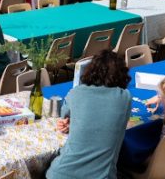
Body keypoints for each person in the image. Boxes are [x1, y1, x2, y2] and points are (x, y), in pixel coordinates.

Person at [46, 50, 131, 179]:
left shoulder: (75, 93)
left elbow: (64, 115)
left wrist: (73, 122)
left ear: (90, 71)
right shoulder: (125, 97)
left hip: (60, 173)